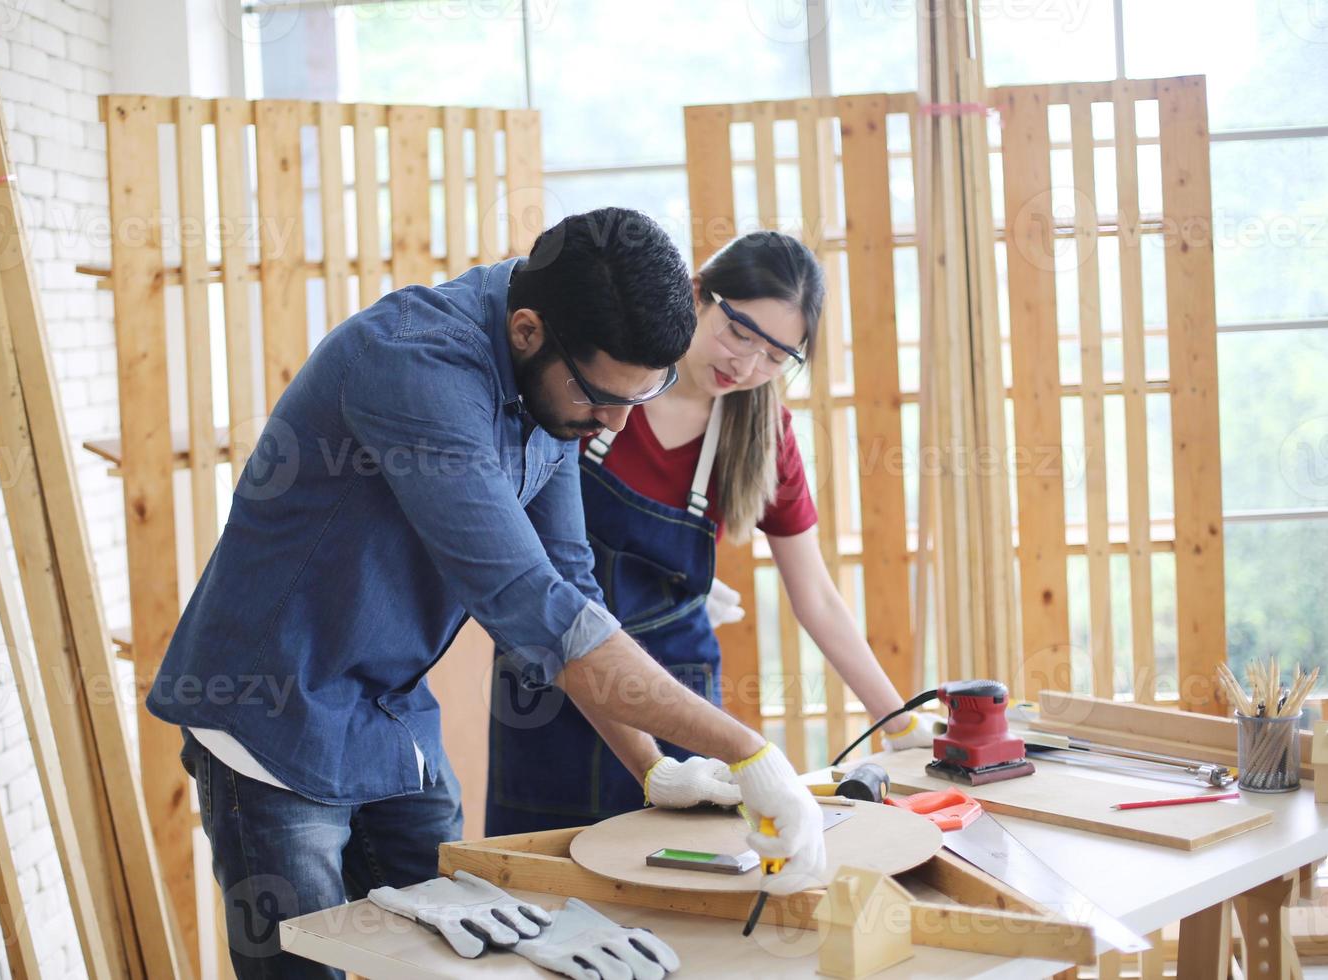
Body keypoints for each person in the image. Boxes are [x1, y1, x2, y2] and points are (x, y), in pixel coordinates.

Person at [147, 209, 826, 979]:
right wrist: (748, 752)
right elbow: (528, 602)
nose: (611, 423)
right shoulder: (414, 367)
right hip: (273, 712)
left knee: (470, 954)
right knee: (308, 965)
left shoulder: (558, 385)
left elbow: (570, 587)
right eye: (603, 398)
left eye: (635, 401)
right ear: (529, 332)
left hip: (390, 711)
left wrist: (653, 768)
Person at [486, 230, 946, 836]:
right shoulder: (598, 385)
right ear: (698, 295)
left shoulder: (763, 437)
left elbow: (816, 597)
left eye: (776, 357)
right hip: (551, 684)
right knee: (541, 878)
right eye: (740, 333)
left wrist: (897, 719)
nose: (747, 365)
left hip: (675, 693)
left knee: (684, 878)